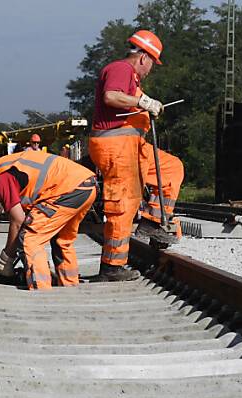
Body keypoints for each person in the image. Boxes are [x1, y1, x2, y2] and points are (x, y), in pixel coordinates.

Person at [89, 29, 184, 281]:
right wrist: (142, 104)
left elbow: (135, 98)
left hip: (132, 146)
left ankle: (153, 222)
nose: (151, 68)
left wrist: (149, 102)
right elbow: (111, 96)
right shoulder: (120, 69)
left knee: (172, 168)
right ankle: (111, 268)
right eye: (152, 63)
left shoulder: (132, 79)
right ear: (143, 57)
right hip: (116, 146)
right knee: (124, 203)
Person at [0, 147, 96, 290]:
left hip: (69, 190)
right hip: (86, 185)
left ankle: (41, 289)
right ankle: (70, 287)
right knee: (61, 240)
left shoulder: (1, 178)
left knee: (30, 237)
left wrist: (7, 258)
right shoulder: (7, 164)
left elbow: (18, 220)